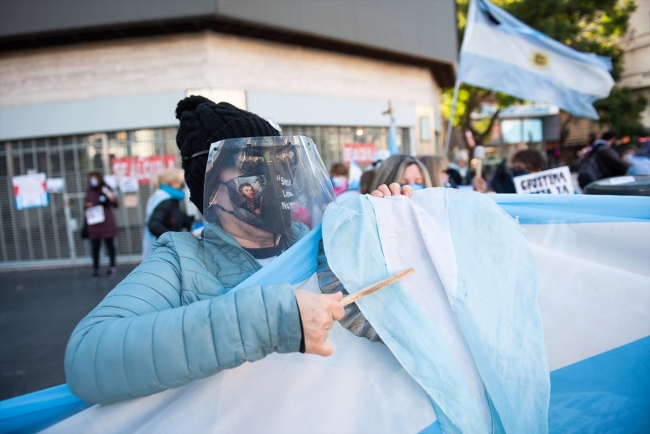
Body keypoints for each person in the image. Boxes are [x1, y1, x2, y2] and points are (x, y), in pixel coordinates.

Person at [65, 97, 346, 405]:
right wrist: (270, 320)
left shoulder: (313, 240)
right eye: (251, 163)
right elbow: (87, 356)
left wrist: (389, 221)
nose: (274, 175)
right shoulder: (182, 263)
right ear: (211, 188)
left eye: (280, 160)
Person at [142, 168, 195, 260]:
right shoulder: (166, 201)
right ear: (174, 183)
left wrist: (191, 222)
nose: (184, 186)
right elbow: (154, 224)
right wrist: (172, 239)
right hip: (163, 252)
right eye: (182, 184)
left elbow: (175, 217)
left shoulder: (166, 198)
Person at [84, 172, 118, 279]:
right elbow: (85, 204)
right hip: (94, 223)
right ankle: (96, 268)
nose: (92, 181)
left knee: (110, 245)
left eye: (94, 179)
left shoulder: (106, 189)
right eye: (90, 179)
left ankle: (112, 267)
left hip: (106, 222)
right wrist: (86, 205)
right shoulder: (89, 191)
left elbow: (115, 204)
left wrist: (111, 198)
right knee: (95, 247)